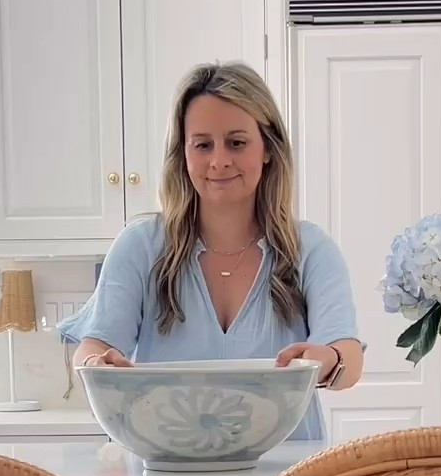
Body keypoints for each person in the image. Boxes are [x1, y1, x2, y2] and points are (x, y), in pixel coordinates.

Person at [58, 60, 364, 441]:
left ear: (267, 149)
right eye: (202, 145)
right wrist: (96, 363)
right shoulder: (140, 246)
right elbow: (94, 346)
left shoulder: (311, 249)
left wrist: (329, 361)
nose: (219, 161)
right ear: (183, 154)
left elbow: (348, 357)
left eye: (236, 143)